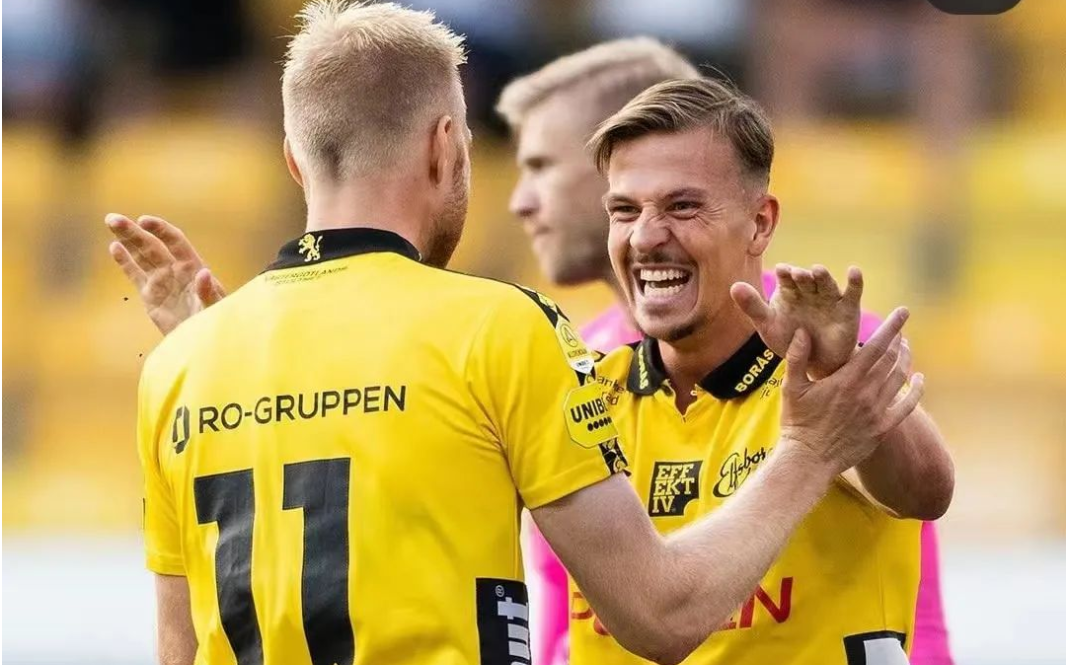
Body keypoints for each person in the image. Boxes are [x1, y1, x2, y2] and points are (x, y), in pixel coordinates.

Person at [117, 3, 923, 665]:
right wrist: (811, 449)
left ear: (296, 161)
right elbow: (660, 614)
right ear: (444, 148)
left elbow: (178, 648)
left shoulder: (183, 362)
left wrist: (221, 351)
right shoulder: (500, 327)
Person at [496, 39, 954, 665]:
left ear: (760, 223)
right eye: (623, 210)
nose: (646, 236)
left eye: (683, 206)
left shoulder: (821, 357)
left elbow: (926, 493)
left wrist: (839, 370)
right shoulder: (579, 391)